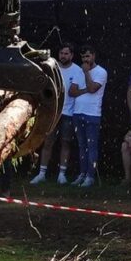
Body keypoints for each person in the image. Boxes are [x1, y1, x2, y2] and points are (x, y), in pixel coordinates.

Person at [36, 45, 79, 186]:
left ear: (71, 55)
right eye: (61, 53)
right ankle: (41, 174)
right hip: (53, 112)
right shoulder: (52, 67)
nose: (63, 56)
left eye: (66, 53)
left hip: (68, 113)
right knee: (48, 142)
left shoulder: (77, 70)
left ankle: (62, 175)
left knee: (65, 143)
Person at [72, 45, 109, 186]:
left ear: (93, 56)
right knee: (82, 146)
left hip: (92, 114)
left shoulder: (101, 72)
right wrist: (85, 89)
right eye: (83, 57)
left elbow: (93, 89)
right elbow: (72, 91)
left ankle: (90, 176)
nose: (85, 60)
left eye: (87, 56)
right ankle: (82, 173)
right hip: (77, 112)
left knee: (91, 146)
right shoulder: (78, 71)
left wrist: (87, 73)